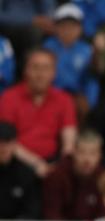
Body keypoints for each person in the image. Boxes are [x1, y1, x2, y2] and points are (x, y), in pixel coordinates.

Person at [0, 48, 77, 176]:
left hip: (54, 162)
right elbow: (6, 141)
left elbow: (69, 140)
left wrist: (61, 164)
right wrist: (36, 164)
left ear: (54, 73)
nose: (40, 74)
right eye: (35, 68)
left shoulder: (64, 99)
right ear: (26, 70)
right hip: (18, 162)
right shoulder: (9, 97)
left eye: (46, 68)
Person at [0, 121, 40, 221]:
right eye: (0, 143)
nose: (3, 148)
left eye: (7, 142)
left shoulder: (26, 174)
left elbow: (34, 208)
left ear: (15, 144)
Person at [43, 4, 99, 114]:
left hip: (78, 98)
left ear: (80, 29)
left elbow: (92, 80)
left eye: (73, 26)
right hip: (52, 96)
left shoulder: (87, 50)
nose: (68, 30)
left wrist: (90, 101)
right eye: (63, 26)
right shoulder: (47, 47)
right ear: (55, 28)